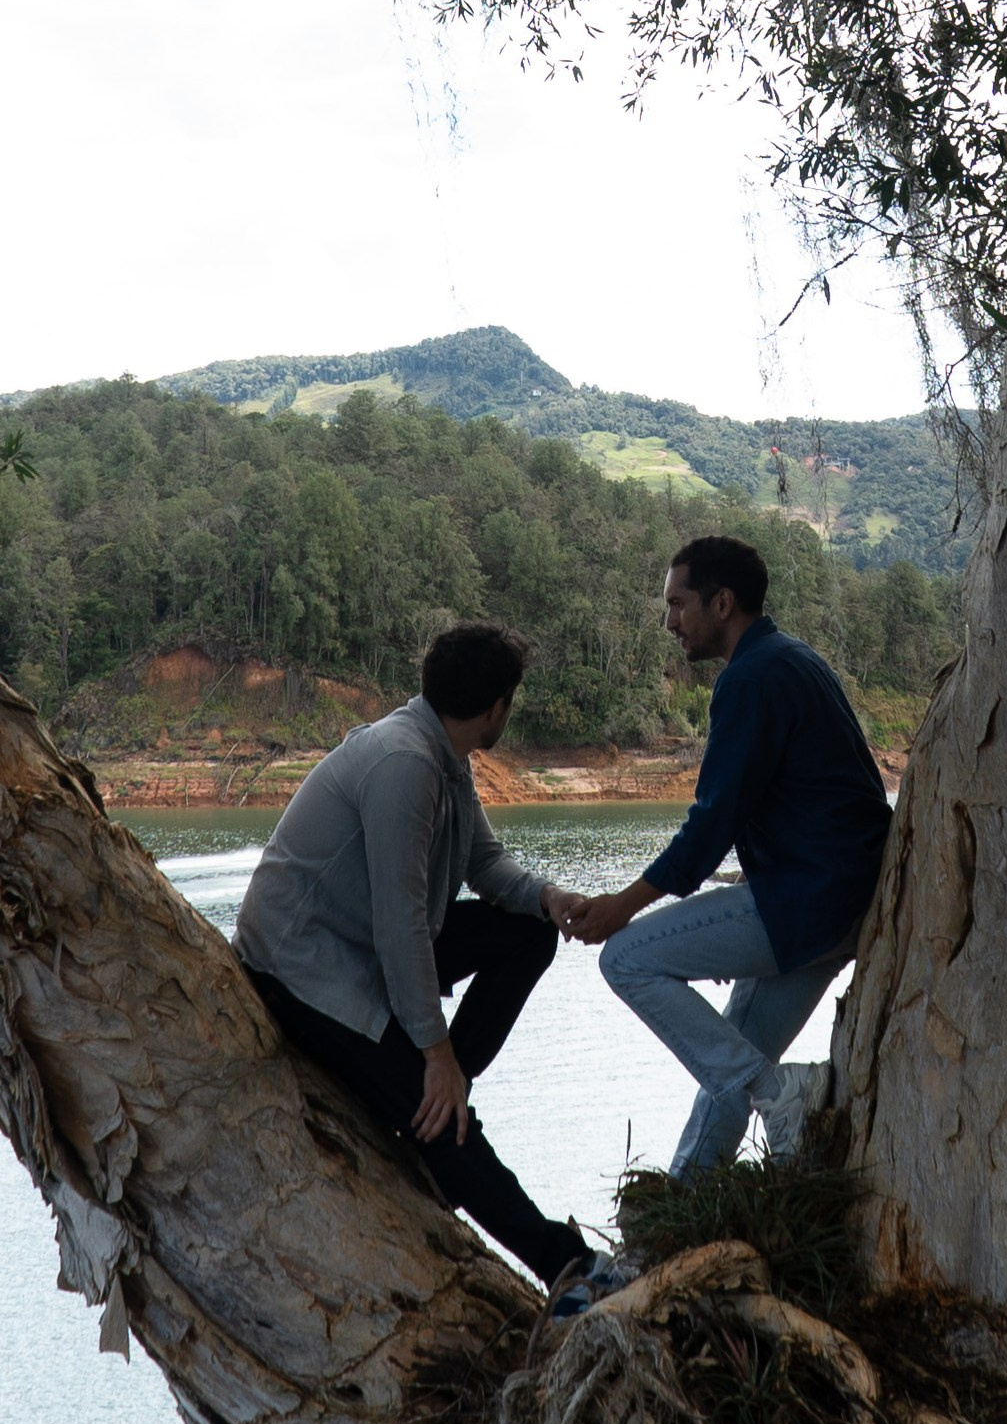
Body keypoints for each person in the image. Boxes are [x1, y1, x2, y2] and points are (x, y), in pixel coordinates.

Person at [234, 620, 594, 1294]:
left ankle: (436, 1091)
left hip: (369, 943)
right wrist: (433, 1056)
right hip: (307, 968)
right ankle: (565, 1267)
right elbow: (400, 925)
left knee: (527, 934)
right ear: (495, 709)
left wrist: (550, 899)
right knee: (448, 1123)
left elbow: (483, 863)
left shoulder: (441, 753)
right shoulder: (405, 763)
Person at [568, 534, 893, 1171]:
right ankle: (692, 1196)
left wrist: (622, 907)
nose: (669, 622)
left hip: (807, 900)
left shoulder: (751, 680)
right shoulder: (792, 659)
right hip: (843, 900)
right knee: (731, 1061)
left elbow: (711, 824)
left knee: (627, 960)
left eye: (678, 604)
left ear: (722, 603)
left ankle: (781, 1091)